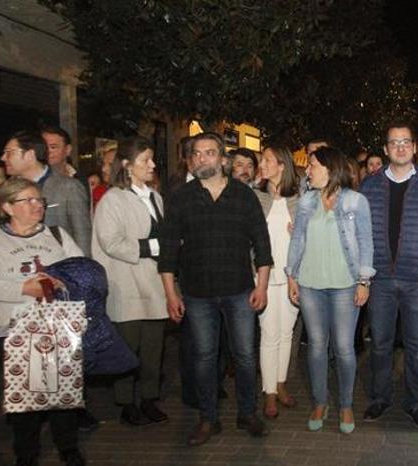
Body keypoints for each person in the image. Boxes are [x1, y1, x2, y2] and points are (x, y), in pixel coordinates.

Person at [158, 132, 272, 446]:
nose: (201, 158)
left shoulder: (243, 196)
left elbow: (262, 246)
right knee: (204, 358)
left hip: (239, 291)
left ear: (223, 159)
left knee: (246, 357)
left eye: (209, 153)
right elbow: (168, 251)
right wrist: (171, 294)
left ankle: (247, 413)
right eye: (196, 154)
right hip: (197, 294)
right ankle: (208, 418)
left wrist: (261, 286)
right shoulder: (181, 197)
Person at [0, 177, 86, 466]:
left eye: (39, 200)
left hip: (58, 326)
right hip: (13, 329)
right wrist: (24, 288)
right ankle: (25, 455)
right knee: (23, 400)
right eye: (27, 201)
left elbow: (82, 268)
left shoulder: (57, 235)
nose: (37, 205)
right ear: (6, 207)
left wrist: (64, 281)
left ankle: (68, 447)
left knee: (63, 394)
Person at [359, 122, 418, 431]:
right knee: (381, 344)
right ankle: (380, 398)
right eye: (393, 142)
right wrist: (361, 276)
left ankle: (415, 402)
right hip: (381, 279)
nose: (400, 147)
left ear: (414, 147)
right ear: (385, 149)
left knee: (417, 346)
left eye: (406, 141)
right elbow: (358, 233)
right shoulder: (369, 186)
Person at [286, 147, 374, 433]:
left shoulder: (355, 201)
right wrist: (291, 276)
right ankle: (320, 401)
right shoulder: (306, 201)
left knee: (345, 349)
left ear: (329, 168)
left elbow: (366, 242)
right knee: (316, 347)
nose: (307, 170)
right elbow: (297, 239)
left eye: (312, 165)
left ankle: (346, 405)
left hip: (345, 285)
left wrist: (364, 281)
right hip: (310, 284)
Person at [91, 136, 169, 426]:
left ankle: (149, 398)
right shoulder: (112, 200)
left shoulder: (155, 196)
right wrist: (155, 247)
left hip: (154, 283)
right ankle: (126, 402)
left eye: (151, 159)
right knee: (128, 348)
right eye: (145, 160)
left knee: (153, 347)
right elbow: (110, 243)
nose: (152, 164)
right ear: (127, 165)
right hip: (126, 284)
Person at [253, 145, 300, 418]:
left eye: (268, 160)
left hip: (292, 277)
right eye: (262, 160)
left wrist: (299, 232)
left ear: (283, 165)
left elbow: (308, 238)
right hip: (265, 277)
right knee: (269, 334)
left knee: (287, 333)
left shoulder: (300, 199)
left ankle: (281, 384)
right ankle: (268, 392)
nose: (263, 164)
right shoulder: (255, 197)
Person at [2, 130, 92, 257]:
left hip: (59, 266)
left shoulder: (68, 187)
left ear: (30, 155)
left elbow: (82, 234)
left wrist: (83, 269)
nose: (3, 158)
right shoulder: (7, 190)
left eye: (9, 153)